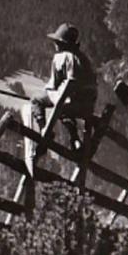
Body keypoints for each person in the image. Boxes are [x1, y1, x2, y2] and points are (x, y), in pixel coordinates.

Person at [22, 23, 97, 166]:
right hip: (86, 106)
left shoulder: (61, 58)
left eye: (57, 42)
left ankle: (45, 130)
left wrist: (49, 93)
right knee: (64, 107)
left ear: (61, 43)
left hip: (69, 101)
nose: (55, 44)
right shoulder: (83, 59)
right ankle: (75, 139)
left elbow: (52, 86)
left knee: (37, 100)